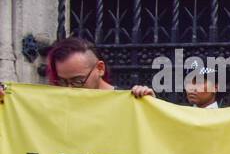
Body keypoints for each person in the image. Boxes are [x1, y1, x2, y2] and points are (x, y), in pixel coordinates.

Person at [0, 36, 154, 101]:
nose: (70, 88)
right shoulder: (56, 102)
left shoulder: (130, 101)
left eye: (78, 81)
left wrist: (150, 107)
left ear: (100, 68)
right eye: (61, 81)